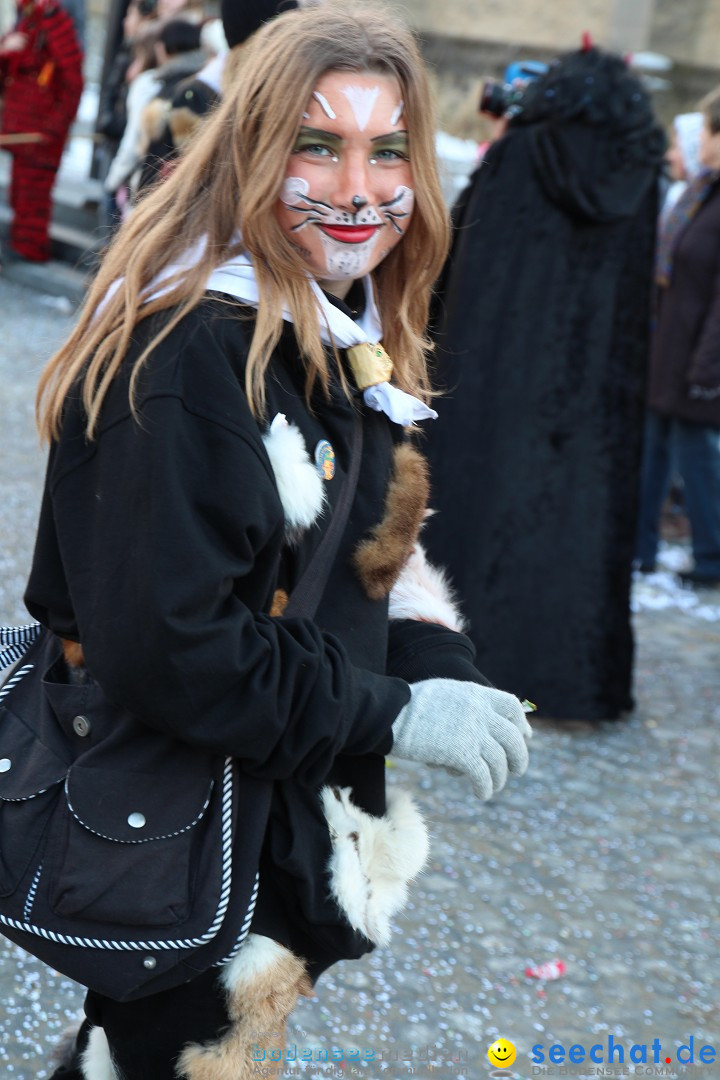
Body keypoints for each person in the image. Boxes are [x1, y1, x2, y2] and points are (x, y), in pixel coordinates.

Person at [31, 6, 532, 1077]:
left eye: (388, 150)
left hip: (271, 810)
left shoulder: (324, 319)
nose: (360, 190)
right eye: (319, 145)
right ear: (255, 152)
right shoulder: (185, 354)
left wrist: (438, 660)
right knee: (166, 1053)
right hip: (178, 824)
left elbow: (352, 547)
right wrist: (399, 710)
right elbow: (175, 649)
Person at [424, 45, 666, 721]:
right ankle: (568, 679)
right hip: (592, 389)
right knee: (573, 527)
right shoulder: (638, 172)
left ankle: (456, 660)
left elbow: (471, 263)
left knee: (483, 511)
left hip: (502, 371)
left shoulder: (519, 154)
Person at [635, 87, 720, 587]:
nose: (700, 140)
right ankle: (641, 548)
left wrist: (708, 371)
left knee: (697, 459)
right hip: (673, 353)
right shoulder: (705, 195)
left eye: (708, 130)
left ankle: (712, 559)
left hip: (697, 361)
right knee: (655, 453)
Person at [0, 0, 83, 263]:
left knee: (32, 197)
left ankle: (28, 249)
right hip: (22, 128)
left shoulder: (57, 22)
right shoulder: (26, 20)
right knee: (19, 194)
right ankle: (20, 246)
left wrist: (54, 128)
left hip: (42, 134)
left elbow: (73, 82)